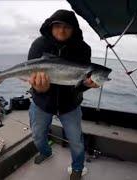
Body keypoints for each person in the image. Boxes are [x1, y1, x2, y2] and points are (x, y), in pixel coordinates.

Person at [27, 9, 99, 180]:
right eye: (57, 26)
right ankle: (46, 152)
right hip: (42, 102)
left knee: (76, 140)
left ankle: (77, 168)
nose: (61, 30)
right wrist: (39, 89)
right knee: (37, 135)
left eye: (67, 27)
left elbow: (80, 83)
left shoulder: (83, 49)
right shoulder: (39, 45)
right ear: (51, 27)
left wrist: (87, 86)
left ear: (74, 29)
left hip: (70, 105)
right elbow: (31, 74)